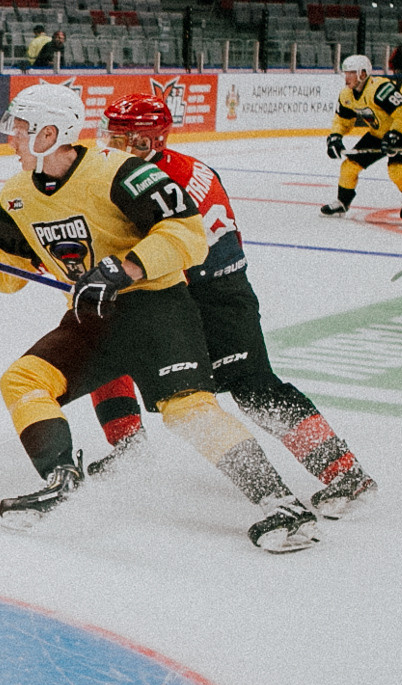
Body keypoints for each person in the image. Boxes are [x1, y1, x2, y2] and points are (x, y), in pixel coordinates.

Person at [0, 82, 323, 553]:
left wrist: (125, 267)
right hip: (93, 318)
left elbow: (186, 232)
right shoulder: (15, 196)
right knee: (24, 380)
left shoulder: (121, 173)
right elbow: (15, 272)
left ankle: (284, 507)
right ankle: (61, 478)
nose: (9, 139)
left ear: (48, 132)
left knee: (187, 410)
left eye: (18, 129)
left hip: (157, 311)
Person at [77, 95, 378, 515]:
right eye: (107, 133)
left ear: (148, 140)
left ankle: (343, 472)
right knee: (107, 348)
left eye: (119, 137)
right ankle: (128, 448)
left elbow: (165, 248)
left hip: (213, 295)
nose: (107, 143)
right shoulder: (169, 167)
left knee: (253, 387)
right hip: (192, 288)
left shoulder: (153, 180)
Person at [321, 52, 402, 219]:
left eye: (352, 73)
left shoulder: (380, 89)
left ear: (363, 73)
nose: (347, 77)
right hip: (378, 134)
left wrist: (394, 134)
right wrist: (335, 137)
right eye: (346, 73)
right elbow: (343, 120)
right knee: (349, 166)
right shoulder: (346, 95)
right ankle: (342, 202)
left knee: (397, 171)